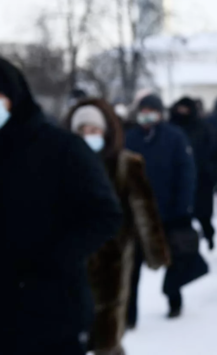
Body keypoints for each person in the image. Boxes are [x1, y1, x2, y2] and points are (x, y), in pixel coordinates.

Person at [0, 55, 123, 355]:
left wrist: (54, 260)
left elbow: (104, 214)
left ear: (13, 96)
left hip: (51, 315)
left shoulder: (61, 148)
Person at [66, 99, 171, 355]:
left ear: (106, 132)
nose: (87, 137)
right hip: (70, 260)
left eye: (94, 130)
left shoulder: (125, 164)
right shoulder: (62, 165)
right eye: (81, 131)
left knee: (107, 334)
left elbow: (144, 210)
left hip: (113, 257)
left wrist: (155, 251)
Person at [125, 94, 200, 324]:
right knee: (132, 266)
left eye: (151, 110)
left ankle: (173, 298)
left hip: (168, 212)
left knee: (173, 258)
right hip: (137, 215)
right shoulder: (131, 138)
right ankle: (129, 315)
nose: (147, 115)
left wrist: (182, 207)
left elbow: (186, 173)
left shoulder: (174, 137)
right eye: (143, 110)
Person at [170, 97, 217, 250]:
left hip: (202, 178)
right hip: (177, 179)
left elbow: (211, 150)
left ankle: (209, 235)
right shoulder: (171, 128)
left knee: (203, 214)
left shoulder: (203, 127)